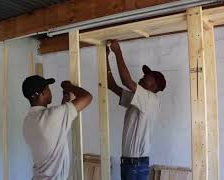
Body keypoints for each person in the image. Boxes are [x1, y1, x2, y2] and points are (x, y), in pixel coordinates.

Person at [106, 40, 166, 180]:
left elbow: (127, 81)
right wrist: (106, 58)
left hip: (135, 166)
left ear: (154, 85)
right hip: (130, 164)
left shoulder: (150, 99)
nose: (143, 76)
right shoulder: (139, 99)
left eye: (147, 76)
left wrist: (118, 52)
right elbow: (111, 85)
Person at [22, 75, 92, 180]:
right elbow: (87, 97)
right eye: (48, 88)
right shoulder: (52, 116)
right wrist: (69, 86)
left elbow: (53, 129)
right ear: (41, 94)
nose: (50, 92)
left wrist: (64, 102)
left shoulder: (28, 120)